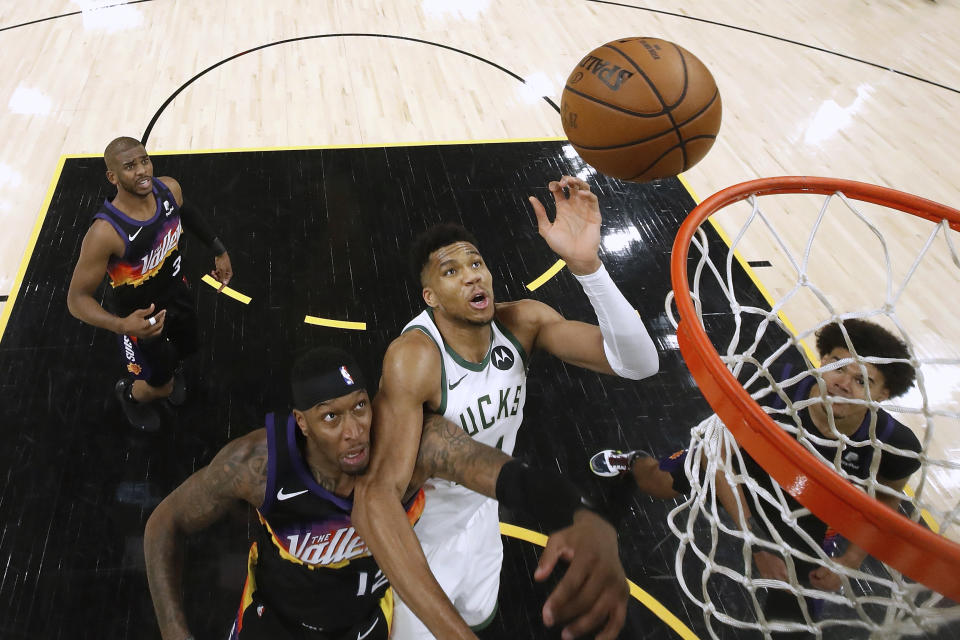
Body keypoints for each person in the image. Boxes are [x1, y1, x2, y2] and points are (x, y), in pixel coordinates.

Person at [353, 175, 660, 640]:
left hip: (482, 515)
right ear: (429, 297)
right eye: (451, 271)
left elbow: (639, 364)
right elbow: (379, 495)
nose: (473, 274)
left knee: (483, 616)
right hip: (424, 535)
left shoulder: (522, 321)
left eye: (476, 262)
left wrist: (588, 266)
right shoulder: (414, 357)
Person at [144, 346, 626, 640]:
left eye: (359, 408)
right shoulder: (255, 465)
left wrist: (578, 512)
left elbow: (494, 469)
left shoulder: (408, 447)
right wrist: (175, 632)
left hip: (366, 624)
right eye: (332, 417)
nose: (355, 431)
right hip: (277, 622)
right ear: (302, 424)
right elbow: (164, 522)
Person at [590, 318, 921, 638]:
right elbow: (716, 454)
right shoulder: (773, 381)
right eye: (837, 365)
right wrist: (754, 537)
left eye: (863, 380)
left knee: (792, 618)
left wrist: (850, 559)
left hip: (808, 506)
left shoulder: (895, 444)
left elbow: (886, 501)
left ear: (883, 395)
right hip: (742, 463)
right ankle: (634, 461)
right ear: (821, 361)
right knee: (656, 483)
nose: (843, 383)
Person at [67, 136, 233, 431]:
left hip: (177, 295)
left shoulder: (169, 189)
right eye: (130, 166)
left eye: (145, 161)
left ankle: (169, 370)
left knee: (188, 347)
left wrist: (218, 249)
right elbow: (76, 299)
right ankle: (130, 395)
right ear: (113, 177)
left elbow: (187, 212)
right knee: (159, 386)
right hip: (140, 322)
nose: (142, 170)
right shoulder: (105, 233)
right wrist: (123, 325)